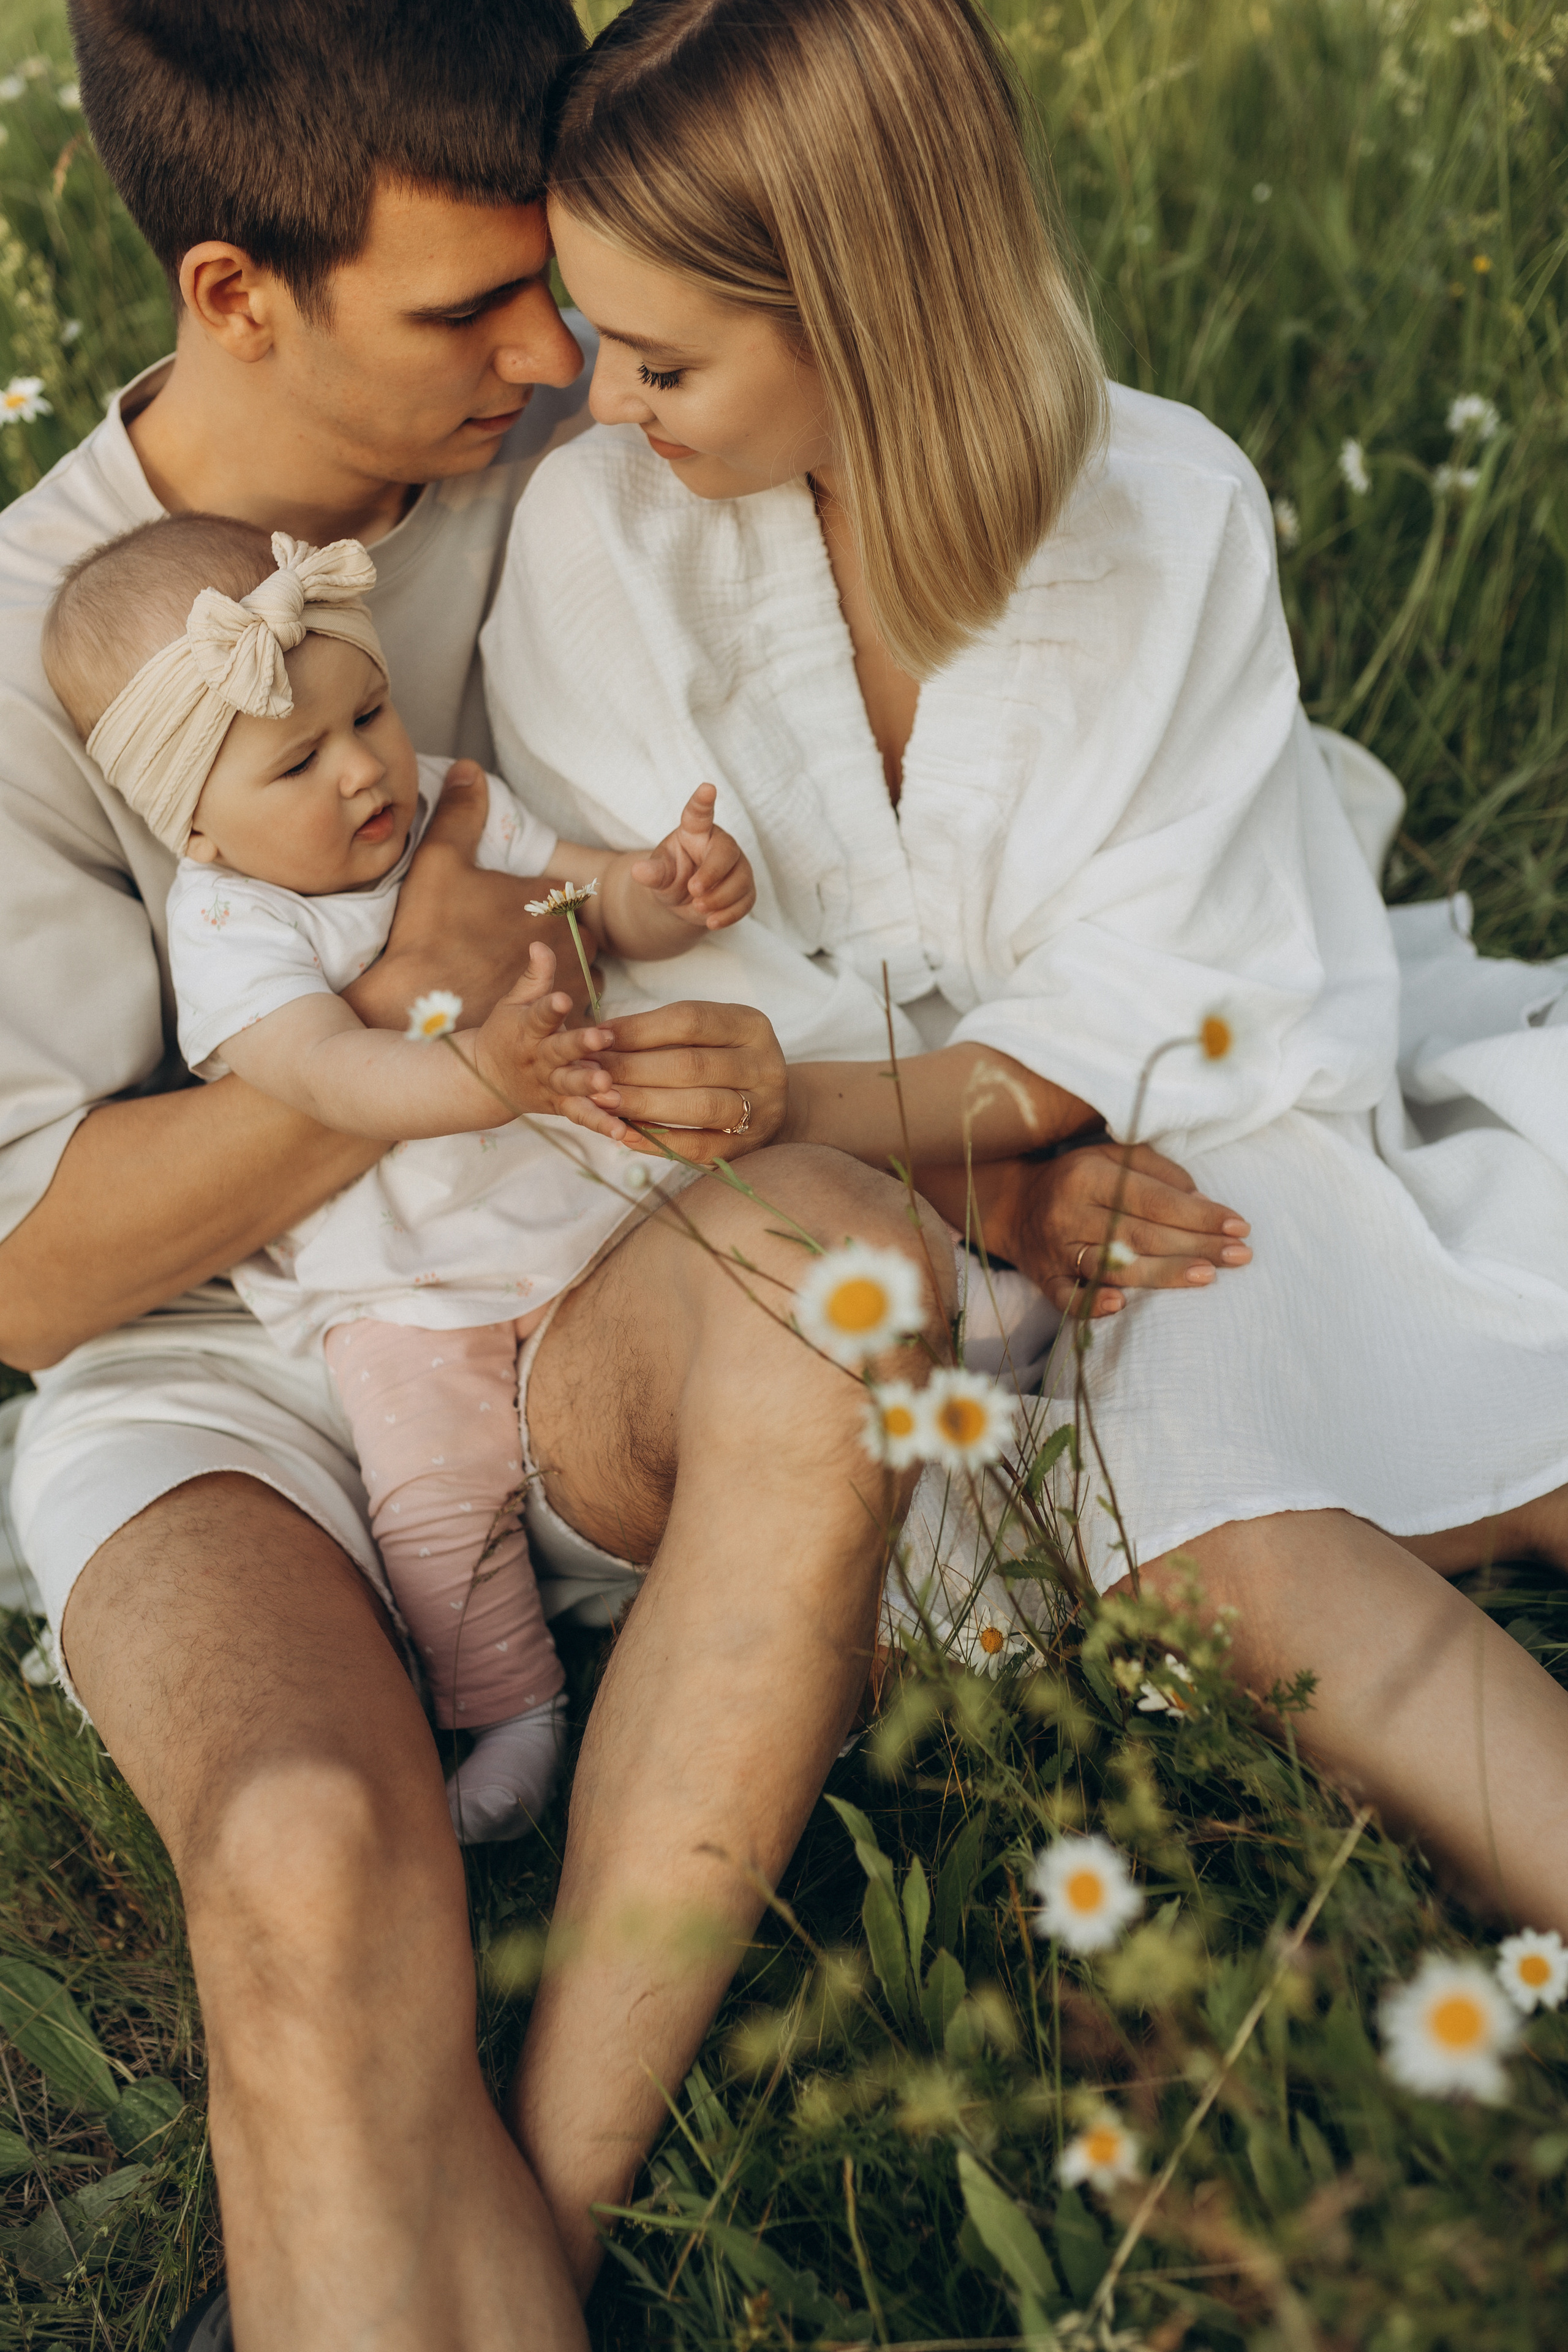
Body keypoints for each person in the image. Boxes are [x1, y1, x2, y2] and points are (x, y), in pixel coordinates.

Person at [0, 0, 1188, 2340]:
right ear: (236, 294)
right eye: (472, 308)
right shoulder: (38, 637)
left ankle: (527, 2206)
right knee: (302, 1847)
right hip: (221, 1386)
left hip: (578, 1278)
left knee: (846, 1286)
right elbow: (30, 1285)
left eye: (557, 282)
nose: (549, 350)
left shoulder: (606, 421)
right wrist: (415, 1019)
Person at [483, 0, 1568, 1990]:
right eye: (586, 330)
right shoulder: (596, 538)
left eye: (661, 355)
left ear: (870, 307)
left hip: (1184, 1119)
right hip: (826, 1236)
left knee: (1317, 1389)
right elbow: (683, 1043)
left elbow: (1180, 964)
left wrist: (1025, 1145)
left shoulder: (1166, 506)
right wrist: (984, 1191)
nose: (600, 397)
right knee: (1219, 1553)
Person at [41, 512, 762, 1845]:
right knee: (435, 1499)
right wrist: (478, 1070)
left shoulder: (443, 795)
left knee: (750, 1244)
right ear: (191, 820)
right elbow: (325, 1072)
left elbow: (585, 901)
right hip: (400, 1285)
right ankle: (513, 1709)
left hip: (579, 1213)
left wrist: (668, 885)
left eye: (368, 714)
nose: (362, 772)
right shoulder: (229, 924)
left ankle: (948, 1295)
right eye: (297, 760)